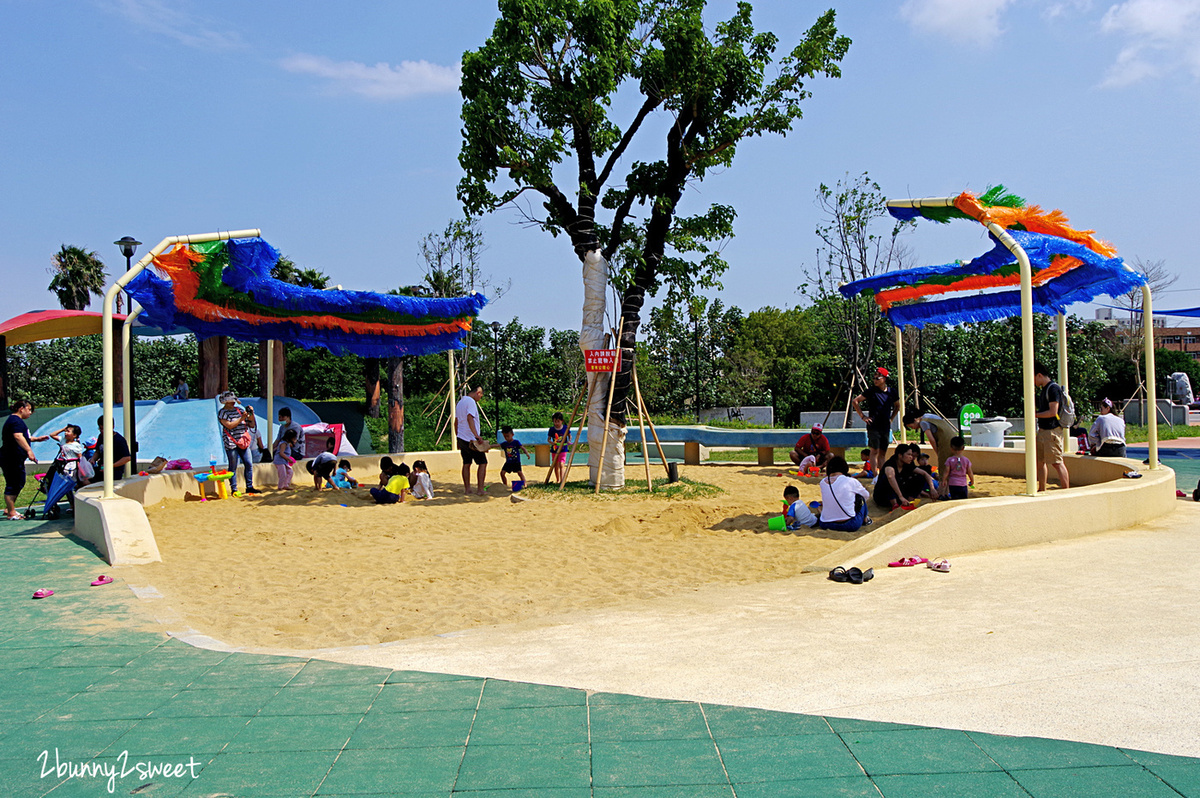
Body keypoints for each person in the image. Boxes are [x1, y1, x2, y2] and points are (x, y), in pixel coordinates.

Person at [3, 400, 47, 520]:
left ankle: (9, 508)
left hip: (15, 458)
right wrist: (29, 450)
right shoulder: (15, 421)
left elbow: (24, 437)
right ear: (22, 408)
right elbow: (18, 436)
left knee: (19, 482)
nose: (30, 412)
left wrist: (36, 439)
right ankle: (11, 512)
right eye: (29, 409)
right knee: (13, 483)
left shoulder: (16, 421)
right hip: (11, 458)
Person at [852, 367, 900, 478]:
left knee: (883, 452)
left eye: (877, 378)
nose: (875, 380)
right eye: (874, 378)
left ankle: (882, 474)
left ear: (884, 378)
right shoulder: (871, 391)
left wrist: (891, 418)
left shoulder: (891, 392)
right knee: (874, 451)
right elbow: (855, 401)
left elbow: (897, 406)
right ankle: (875, 475)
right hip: (873, 425)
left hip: (885, 425)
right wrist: (863, 416)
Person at [1033, 362, 1070, 491]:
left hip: (1052, 431)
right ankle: (1042, 488)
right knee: (1040, 462)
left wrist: (1035, 415)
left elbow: (1052, 412)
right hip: (1043, 430)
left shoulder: (1053, 389)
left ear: (1039, 375)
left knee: (1056, 462)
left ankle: (1066, 489)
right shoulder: (1045, 389)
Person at [903, 411, 957, 496]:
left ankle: (943, 494)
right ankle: (948, 491)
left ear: (915, 420)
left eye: (911, 426)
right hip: (953, 439)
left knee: (944, 468)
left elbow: (931, 440)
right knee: (951, 467)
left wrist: (938, 452)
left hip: (945, 442)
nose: (913, 428)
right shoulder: (928, 416)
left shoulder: (923, 423)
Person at [216, 392, 259, 495]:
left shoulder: (239, 410)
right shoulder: (222, 413)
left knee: (248, 463)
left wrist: (251, 414)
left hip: (243, 441)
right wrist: (241, 419)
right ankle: (234, 489)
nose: (233, 403)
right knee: (233, 466)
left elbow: (251, 424)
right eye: (231, 401)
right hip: (231, 443)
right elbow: (229, 425)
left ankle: (249, 486)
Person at [817, 456, 873, 532]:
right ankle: (865, 520)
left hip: (826, 524)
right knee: (860, 497)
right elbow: (866, 495)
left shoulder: (823, 482)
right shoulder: (851, 481)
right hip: (850, 524)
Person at [874, 443, 936, 510]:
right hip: (883, 497)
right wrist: (900, 496)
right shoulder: (890, 464)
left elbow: (924, 473)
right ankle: (894, 505)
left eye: (911, 455)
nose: (911, 457)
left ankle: (909, 501)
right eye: (908, 454)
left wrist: (932, 489)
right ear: (900, 455)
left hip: (900, 495)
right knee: (888, 478)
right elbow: (890, 476)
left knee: (919, 477)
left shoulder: (908, 464)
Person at [454, 386, 488, 496]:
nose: (481, 396)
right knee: (482, 463)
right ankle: (480, 489)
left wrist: (457, 437)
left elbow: (456, 421)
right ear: (477, 392)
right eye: (481, 394)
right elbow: (470, 418)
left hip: (461, 438)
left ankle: (467, 489)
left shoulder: (460, 402)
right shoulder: (471, 402)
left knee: (466, 463)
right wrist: (476, 435)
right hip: (471, 439)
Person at [90, 416, 131, 484]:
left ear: (112, 427)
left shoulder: (119, 440)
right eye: (100, 429)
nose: (102, 431)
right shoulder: (101, 436)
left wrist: (111, 465)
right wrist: (93, 459)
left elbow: (127, 458)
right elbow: (97, 451)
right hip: (101, 468)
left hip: (115, 471)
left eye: (104, 429)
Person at [943, 436, 974, 500]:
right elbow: (969, 472)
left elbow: (946, 471)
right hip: (963, 484)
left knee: (954, 500)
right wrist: (972, 480)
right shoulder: (966, 460)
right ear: (963, 448)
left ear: (951, 448)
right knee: (963, 500)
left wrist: (944, 480)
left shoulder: (949, 460)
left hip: (953, 484)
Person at [547, 412, 571, 484]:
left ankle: (562, 480)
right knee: (555, 465)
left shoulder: (565, 428)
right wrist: (553, 443)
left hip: (563, 449)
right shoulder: (551, 429)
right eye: (555, 422)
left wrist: (569, 441)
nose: (556, 423)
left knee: (561, 464)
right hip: (554, 449)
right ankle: (557, 480)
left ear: (562, 421)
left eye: (558, 421)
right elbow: (548, 439)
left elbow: (569, 436)